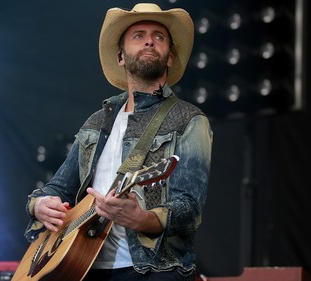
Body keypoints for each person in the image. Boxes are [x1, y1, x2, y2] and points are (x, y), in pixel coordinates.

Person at [23, 3, 213, 281]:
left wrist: (143, 219)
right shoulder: (97, 121)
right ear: (121, 56)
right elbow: (57, 188)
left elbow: (189, 208)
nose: (149, 40)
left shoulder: (189, 119)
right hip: (84, 268)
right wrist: (39, 205)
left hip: (153, 270)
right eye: (138, 35)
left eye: (158, 36)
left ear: (170, 57)